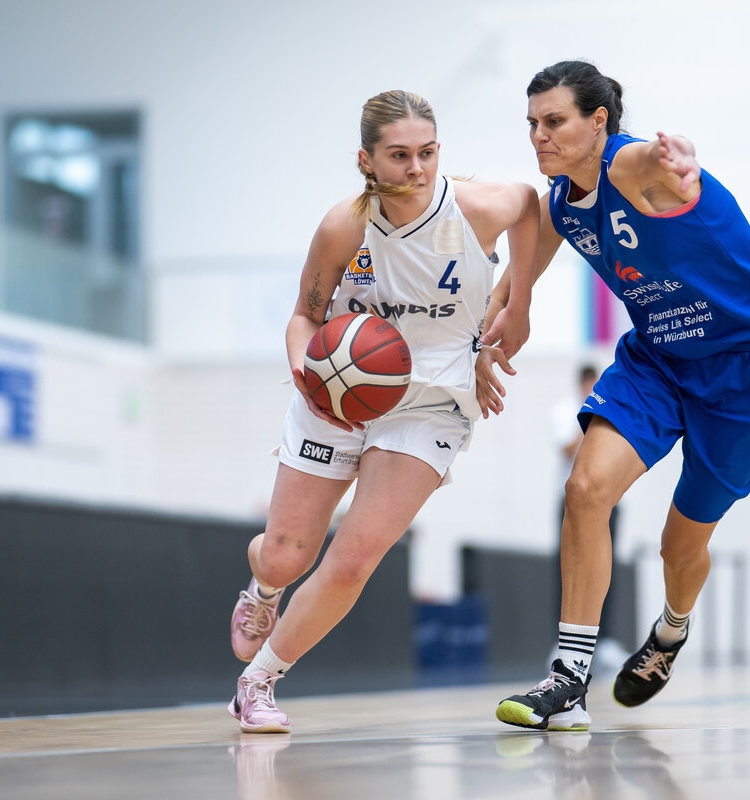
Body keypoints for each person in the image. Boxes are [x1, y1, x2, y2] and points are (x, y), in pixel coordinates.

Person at [477, 60, 750, 732]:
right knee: (585, 489)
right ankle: (567, 680)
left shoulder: (630, 167)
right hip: (658, 357)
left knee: (677, 546)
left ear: (599, 122)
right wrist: (509, 314)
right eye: (533, 124)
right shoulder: (562, 202)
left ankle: (670, 632)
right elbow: (518, 273)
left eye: (555, 121)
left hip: (747, 371)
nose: (540, 136)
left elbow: (655, 169)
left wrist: (676, 165)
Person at [227, 89, 538, 733]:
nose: (416, 169)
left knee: (356, 556)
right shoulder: (344, 225)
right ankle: (263, 589)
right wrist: (306, 373)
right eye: (399, 156)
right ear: (366, 160)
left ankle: (257, 683)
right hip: (340, 389)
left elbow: (532, 205)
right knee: (286, 555)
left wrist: (514, 306)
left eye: (427, 153)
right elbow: (306, 317)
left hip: (429, 400)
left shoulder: (474, 208)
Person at [550, 364, 625, 668]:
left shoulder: (614, 407)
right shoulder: (565, 410)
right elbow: (567, 451)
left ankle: (603, 640)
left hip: (608, 500)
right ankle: (562, 642)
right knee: (568, 570)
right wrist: (590, 422)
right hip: (570, 502)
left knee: (608, 569)